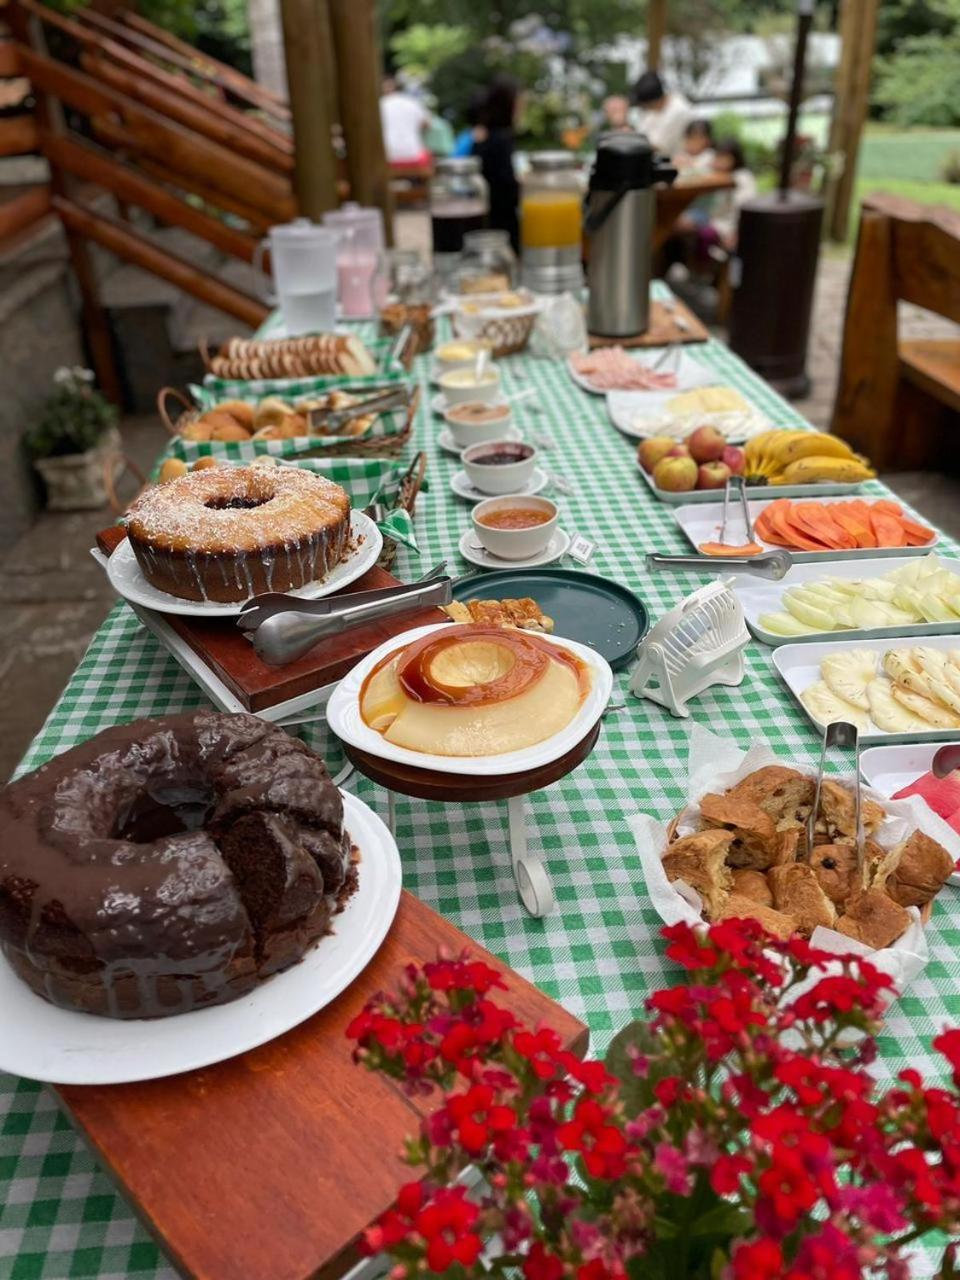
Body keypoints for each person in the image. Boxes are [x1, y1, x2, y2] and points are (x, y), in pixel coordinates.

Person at [474, 75, 521, 251]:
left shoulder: (484, 134)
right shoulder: (501, 139)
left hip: (487, 220)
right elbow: (506, 186)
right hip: (501, 228)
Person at [708, 138, 757, 250]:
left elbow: (744, 207)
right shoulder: (713, 175)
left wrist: (736, 232)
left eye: (724, 157)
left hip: (730, 228)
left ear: (735, 158)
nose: (719, 161)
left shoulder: (743, 177)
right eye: (718, 157)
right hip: (714, 223)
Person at [630, 70, 692, 156]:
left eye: (645, 105)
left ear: (653, 102)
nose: (645, 108)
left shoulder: (679, 110)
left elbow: (662, 148)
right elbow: (640, 134)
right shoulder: (651, 110)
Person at [379, 74, 430, 166]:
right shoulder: (411, 102)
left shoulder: (378, 104)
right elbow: (426, 124)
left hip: (386, 156)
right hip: (414, 154)